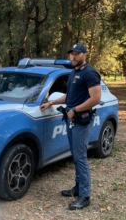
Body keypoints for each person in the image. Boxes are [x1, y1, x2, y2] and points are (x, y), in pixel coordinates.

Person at [40, 43, 101, 210]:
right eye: (72, 54)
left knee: (80, 157)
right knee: (75, 155)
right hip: (71, 120)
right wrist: (51, 102)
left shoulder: (90, 73)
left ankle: (85, 196)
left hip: (81, 121)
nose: (73, 57)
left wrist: (75, 109)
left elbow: (95, 98)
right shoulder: (74, 72)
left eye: (77, 54)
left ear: (84, 55)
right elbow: (69, 96)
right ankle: (77, 188)